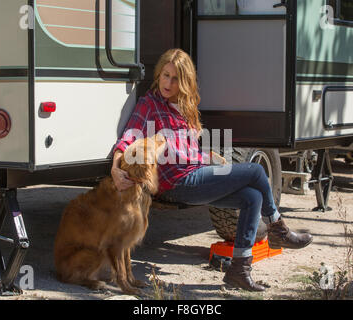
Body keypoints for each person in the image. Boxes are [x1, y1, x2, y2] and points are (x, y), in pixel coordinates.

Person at [111, 48, 313, 292]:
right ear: (158, 74)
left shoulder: (186, 108)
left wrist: (209, 157)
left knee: (253, 197)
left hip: (194, 175)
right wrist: (115, 166)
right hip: (177, 182)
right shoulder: (150, 104)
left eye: (175, 79)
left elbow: (185, 150)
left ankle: (239, 269)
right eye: (165, 75)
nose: (168, 83)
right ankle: (279, 228)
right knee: (256, 173)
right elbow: (128, 138)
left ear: (185, 82)